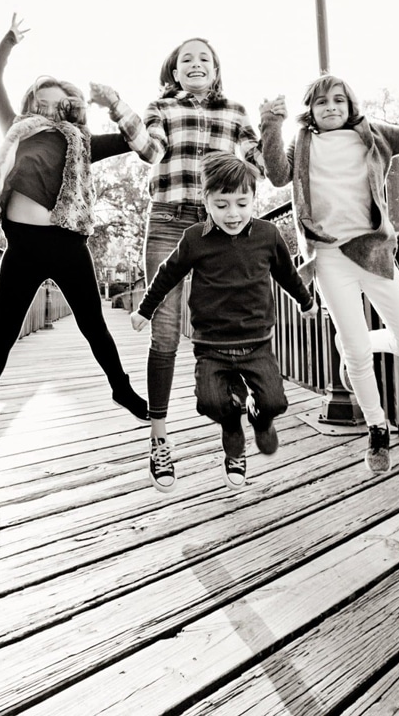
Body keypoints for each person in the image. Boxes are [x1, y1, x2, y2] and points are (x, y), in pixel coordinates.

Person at [258, 70, 399, 472]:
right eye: (321, 102)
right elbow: (277, 174)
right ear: (310, 110)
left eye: (338, 101)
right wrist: (271, 124)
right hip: (329, 257)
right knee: (357, 352)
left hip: (374, 253)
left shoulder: (376, 135)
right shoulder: (305, 142)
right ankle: (377, 429)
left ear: (350, 106)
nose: (330, 108)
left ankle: (355, 348)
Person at [0, 15, 150, 445]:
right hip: (22, 246)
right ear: (31, 104)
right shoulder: (17, 131)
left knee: (94, 324)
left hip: (67, 245)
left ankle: (121, 389)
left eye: (59, 104)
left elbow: (134, 140)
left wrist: (114, 104)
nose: (50, 108)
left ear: (70, 108)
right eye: (43, 102)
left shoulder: (80, 142)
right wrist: (9, 40)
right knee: (3, 332)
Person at [128, 37, 267, 492]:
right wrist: (120, 111)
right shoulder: (161, 108)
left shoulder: (237, 113)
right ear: (174, 71)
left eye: (204, 58)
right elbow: (151, 152)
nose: (195, 63)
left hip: (219, 228)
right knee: (165, 332)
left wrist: (275, 127)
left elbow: (261, 167)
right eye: (186, 58)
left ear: (216, 69)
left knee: (229, 329)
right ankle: (159, 439)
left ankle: (235, 445)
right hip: (168, 222)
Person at [132, 153, 314, 490]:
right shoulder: (193, 240)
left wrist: (305, 301)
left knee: (275, 401)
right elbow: (166, 275)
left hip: (256, 344)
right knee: (212, 403)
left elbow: (287, 274)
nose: (233, 214)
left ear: (253, 199)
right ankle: (233, 435)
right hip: (211, 347)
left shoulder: (268, 236)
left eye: (242, 203)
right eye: (222, 204)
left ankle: (259, 416)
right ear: (207, 201)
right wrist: (145, 310)